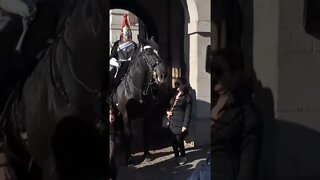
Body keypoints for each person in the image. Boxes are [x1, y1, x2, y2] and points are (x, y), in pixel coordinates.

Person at [211, 48, 260, 180]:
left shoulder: (246, 113)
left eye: (219, 72)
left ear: (236, 75)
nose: (214, 77)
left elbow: (247, 169)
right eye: (211, 70)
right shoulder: (212, 102)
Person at [166, 77, 192, 166]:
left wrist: (185, 125)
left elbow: (188, 113)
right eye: (175, 83)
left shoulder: (187, 97)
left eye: (178, 84)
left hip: (180, 123)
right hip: (172, 121)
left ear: (183, 85)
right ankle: (176, 156)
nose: (176, 85)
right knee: (173, 141)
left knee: (179, 140)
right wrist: (167, 112)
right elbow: (168, 105)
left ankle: (183, 156)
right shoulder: (173, 94)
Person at [109, 14, 137, 90]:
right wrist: (116, 62)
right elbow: (112, 56)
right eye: (126, 33)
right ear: (123, 34)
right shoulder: (117, 44)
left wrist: (132, 60)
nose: (127, 35)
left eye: (129, 33)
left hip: (130, 65)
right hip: (119, 65)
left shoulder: (133, 44)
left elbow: (136, 55)